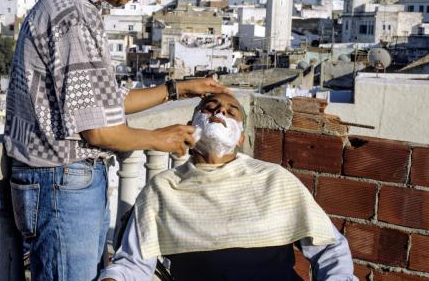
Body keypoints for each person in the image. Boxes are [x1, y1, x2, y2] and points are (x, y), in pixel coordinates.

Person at [3, 0, 232, 281]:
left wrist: (179, 89)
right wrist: (161, 138)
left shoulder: (73, 10)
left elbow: (103, 101)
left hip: (64, 185)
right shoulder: (73, 15)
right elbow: (97, 130)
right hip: (61, 185)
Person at [99, 93, 357, 281]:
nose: (219, 113)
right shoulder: (163, 189)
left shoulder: (274, 179)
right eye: (210, 109)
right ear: (191, 126)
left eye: (230, 111)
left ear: (241, 137)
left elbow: (329, 247)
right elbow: (134, 263)